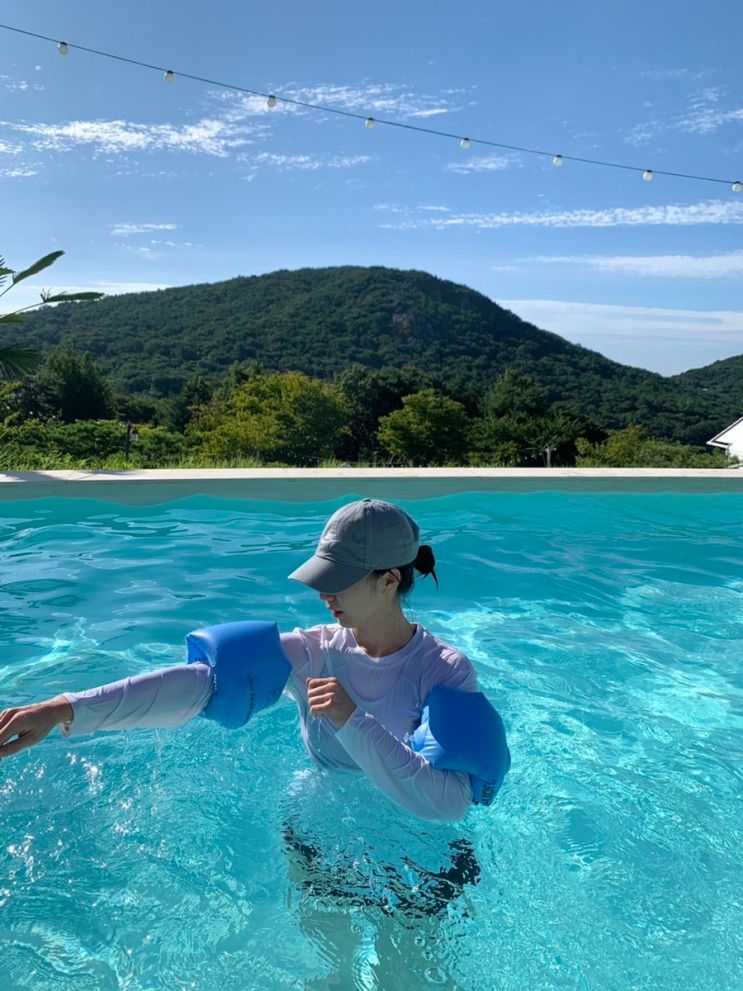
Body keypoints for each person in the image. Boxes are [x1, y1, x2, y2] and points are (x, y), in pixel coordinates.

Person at [0, 498, 486, 986]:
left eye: (337, 579)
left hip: (413, 853)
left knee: (407, 980)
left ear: (388, 581)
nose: (322, 593)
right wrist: (68, 708)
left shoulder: (443, 670)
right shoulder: (316, 651)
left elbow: (448, 802)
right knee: (332, 974)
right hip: (322, 835)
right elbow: (201, 684)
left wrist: (352, 719)